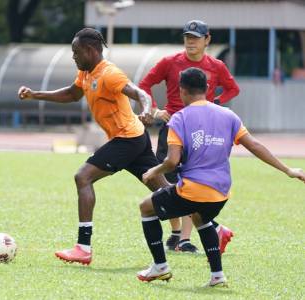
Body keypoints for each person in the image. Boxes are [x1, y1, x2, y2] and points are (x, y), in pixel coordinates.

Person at [136, 67, 305, 287]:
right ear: (207, 89)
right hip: (221, 193)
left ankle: (160, 266)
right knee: (200, 217)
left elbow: (171, 161)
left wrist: (153, 172)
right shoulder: (228, 115)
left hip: (194, 190)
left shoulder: (179, 119)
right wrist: (288, 170)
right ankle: (217, 275)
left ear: (182, 91)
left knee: (145, 207)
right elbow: (254, 145)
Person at [18, 28, 167, 265]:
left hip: (127, 140)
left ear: (89, 50)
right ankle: (214, 228)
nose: (73, 57)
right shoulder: (86, 73)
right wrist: (35, 95)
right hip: (134, 139)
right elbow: (71, 94)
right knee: (166, 193)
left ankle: (83, 247)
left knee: (83, 177)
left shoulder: (109, 73)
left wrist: (147, 111)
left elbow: (141, 95)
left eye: (75, 52)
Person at [139, 20, 240, 253]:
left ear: (207, 40)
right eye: (187, 37)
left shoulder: (216, 66)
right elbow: (145, 84)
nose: (190, 41)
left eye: (196, 37)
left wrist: (215, 103)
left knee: (191, 183)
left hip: (200, 132)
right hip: (173, 127)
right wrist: (154, 110)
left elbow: (233, 89)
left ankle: (184, 239)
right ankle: (187, 231)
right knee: (164, 180)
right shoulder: (169, 62)